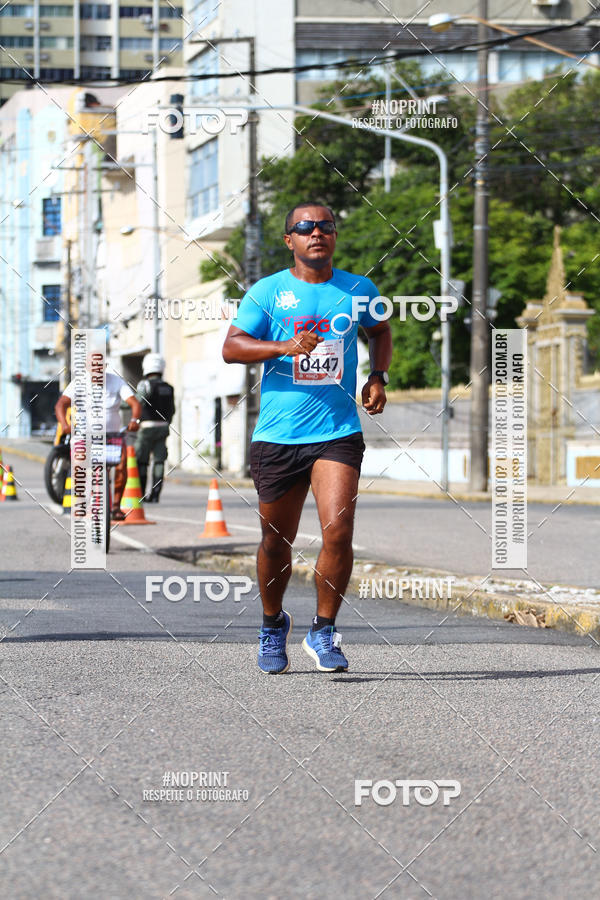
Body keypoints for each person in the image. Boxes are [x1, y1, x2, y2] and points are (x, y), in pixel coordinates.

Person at [222, 201, 392, 674]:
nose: (317, 233)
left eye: (326, 227)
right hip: (278, 434)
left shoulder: (359, 289)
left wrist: (377, 376)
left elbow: (381, 330)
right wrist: (283, 346)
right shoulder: (268, 292)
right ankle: (273, 624)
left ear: (334, 236)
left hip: (337, 431)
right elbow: (232, 347)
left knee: (338, 530)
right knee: (277, 540)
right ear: (289, 240)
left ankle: (323, 630)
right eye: (305, 227)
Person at [55, 367, 142, 521]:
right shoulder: (78, 383)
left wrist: (135, 420)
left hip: (111, 437)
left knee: (122, 465)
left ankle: (115, 507)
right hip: (84, 436)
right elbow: (61, 405)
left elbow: (134, 403)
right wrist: (65, 424)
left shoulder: (116, 381)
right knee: (79, 462)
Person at [134, 353, 175, 503]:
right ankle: (156, 494)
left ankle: (142, 494)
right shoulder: (169, 388)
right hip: (163, 428)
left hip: (146, 427)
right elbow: (172, 409)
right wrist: (167, 422)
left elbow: (137, 402)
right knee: (159, 461)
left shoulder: (144, 385)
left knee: (142, 461)